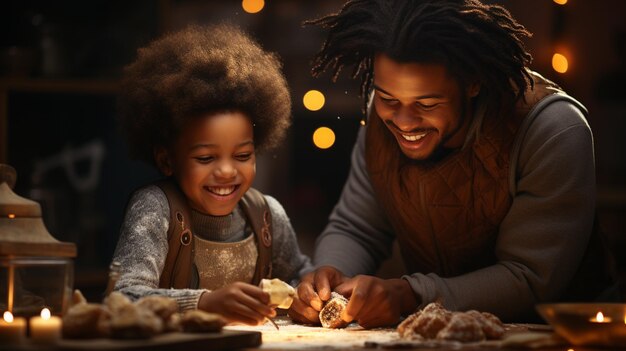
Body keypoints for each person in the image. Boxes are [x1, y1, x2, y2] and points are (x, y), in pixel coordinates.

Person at [288, 0, 614, 328]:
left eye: (427, 103)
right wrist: (326, 282)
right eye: (388, 98)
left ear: (473, 83)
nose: (403, 122)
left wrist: (409, 294)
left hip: (562, 337)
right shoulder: (378, 117)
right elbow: (356, 227)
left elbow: (529, 278)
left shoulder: (551, 128)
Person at [112, 24, 311, 326]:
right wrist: (204, 303)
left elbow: (299, 276)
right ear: (167, 160)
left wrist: (309, 294)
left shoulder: (267, 216)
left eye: (243, 155)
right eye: (206, 158)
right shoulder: (155, 209)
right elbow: (121, 298)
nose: (228, 171)